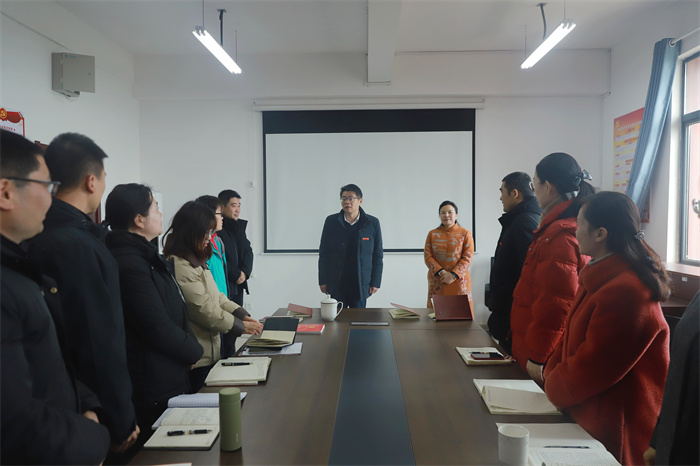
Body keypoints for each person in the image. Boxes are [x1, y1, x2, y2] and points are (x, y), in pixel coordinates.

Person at [0, 129, 110, 464]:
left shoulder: (19, 268)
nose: (51, 199)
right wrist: (92, 438)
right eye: (47, 186)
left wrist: (86, 403)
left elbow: (49, 360)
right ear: (6, 192)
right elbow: (13, 420)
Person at [27, 132, 140, 456]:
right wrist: (120, 419)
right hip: (89, 412)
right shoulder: (75, 244)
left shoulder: (44, 232)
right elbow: (98, 338)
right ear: (92, 181)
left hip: (62, 402)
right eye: (103, 178)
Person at [544, 191, 671, 465]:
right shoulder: (600, 276)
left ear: (600, 234)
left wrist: (553, 385)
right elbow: (570, 338)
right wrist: (551, 374)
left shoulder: (626, 290)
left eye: (580, 223)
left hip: (614, 425)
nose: (575, 230)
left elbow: (594, 366)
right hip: (587, 411)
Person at [105, 184, 204, 442]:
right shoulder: (129, 264)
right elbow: (156, 326)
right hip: (153, 383)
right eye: (156, 209)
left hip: (169, 374)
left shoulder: (146, 257)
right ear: (139, 220)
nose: (161, 214)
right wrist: (193, 350)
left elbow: (175, 310)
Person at [509, 152, 593, 382]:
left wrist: (538, 356)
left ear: (548, 186)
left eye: (534, 184)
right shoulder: (557, 228)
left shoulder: (559, 236)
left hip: (544, 351)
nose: (534, 191)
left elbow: (555, 303)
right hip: (539, 343)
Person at [163, 201, 262, 390]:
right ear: (192, 232)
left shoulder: (197, 260)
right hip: (198, 358)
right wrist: (240, 327)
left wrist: (242, 315)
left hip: (210, 351)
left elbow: (218, 298)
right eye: (207, 233)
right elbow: (204, 310)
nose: (210, 238)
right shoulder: (181, 265)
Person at [487, 172, 541, 354]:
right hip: (509, 310)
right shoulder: (521, 218)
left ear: (515, 193)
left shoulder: (524, 222)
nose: (500, 197)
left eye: (502, 192)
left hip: (513, 311)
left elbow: (528, 272)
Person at [318, 183, 383, 308]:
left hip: (360, 283)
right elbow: (324, 253)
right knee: (336, 318)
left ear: (360, 201)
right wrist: (323, 281)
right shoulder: (331, 222)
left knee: (358, 318)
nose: (347, 202)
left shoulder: (371, 223)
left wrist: (375, 282)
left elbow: (378, 255)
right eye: (344, 198)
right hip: (337, 282)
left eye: (351, 198)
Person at [196, 194, 237, 358]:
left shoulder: (218, 242)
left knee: (228, 351)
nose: (222, 217)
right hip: (211, 308)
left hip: (223, 303)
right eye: (220, 213)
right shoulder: (201, 244)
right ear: (208, 215)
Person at [423, 200, 474, 308]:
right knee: (437, 312)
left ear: (456, 215)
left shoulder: (465, 234)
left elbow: (468, 257)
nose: (446, 215)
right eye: (443, 213)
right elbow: (428, 256)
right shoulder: (432, 234)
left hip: (459, 281)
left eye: (450, 212)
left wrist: (453, 275)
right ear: (439, 215)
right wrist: (442, 273)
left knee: (460, 313)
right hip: (438, 280)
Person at [218, 189, 253, 307]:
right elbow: (219, 258)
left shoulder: (239, 228)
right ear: (222, 208)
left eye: (239, 206)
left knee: (239, 316)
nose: (237, 210)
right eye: (233, 206)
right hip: (225, 284)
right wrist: (236, 274)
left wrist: (245, 273)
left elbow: (248, 251)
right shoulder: (217, 229)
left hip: (238, 285)